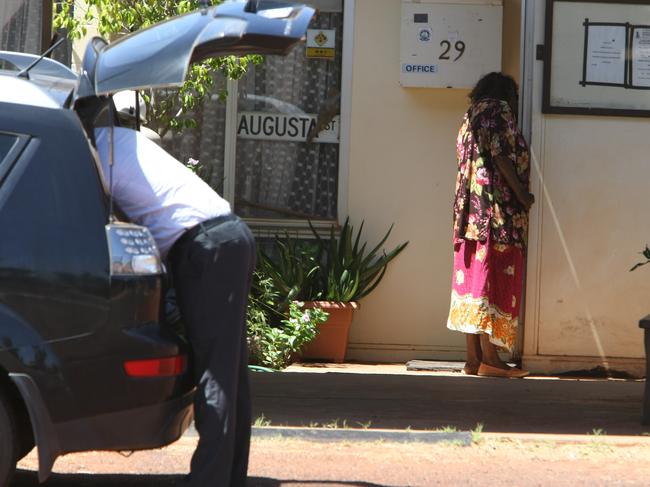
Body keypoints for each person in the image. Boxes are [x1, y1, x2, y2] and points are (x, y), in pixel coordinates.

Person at [93, 121, 256, 486]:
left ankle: (209, 480)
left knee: (216, 372)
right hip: (230, 236)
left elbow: (100, 219)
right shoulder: (125, 141)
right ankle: (229, 478)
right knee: (230, 371)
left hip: (206, 247)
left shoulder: (98, 154)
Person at [446, 72, 534, 379]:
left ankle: (473, 359)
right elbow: (500, 156)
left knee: (472, 281)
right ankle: (491, 359)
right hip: (497, 215)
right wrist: (522, 195)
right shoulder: (500, 111)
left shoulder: (470, 116)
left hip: (467, 215)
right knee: (491, 281)